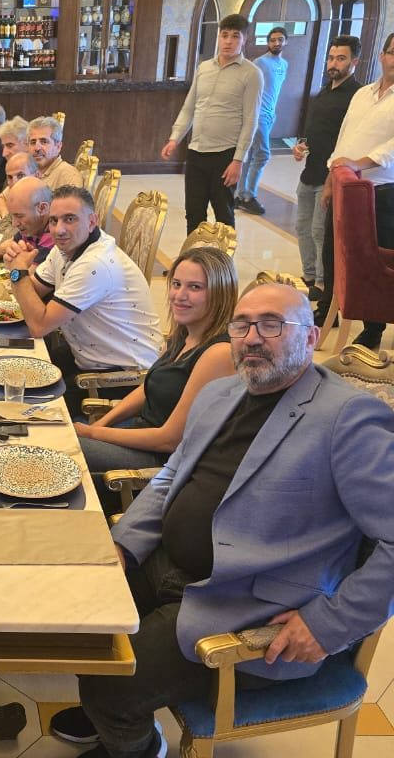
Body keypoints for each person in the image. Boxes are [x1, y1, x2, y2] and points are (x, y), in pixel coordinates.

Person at [49, 283, 394, 758]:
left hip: (246, 604)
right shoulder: (220, 393)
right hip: (165, 562)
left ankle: (135, 742)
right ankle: (109, 714)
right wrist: (124, 544)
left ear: (311, 336)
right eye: (241, 324)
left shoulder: (348, 418)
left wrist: (329, 624)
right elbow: (171, 476)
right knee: (77, 622)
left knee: (112, 684)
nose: (252, 337)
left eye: (271, 324)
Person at [74, 247, 237, 516]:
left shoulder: (218, 353)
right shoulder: (186, 333)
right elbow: (148, 388)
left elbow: (169, 440)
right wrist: (101, 423)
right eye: (176, 284)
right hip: (140, 434)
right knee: (57, 433)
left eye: (195, 287)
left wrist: (92, 434)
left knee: (62, 448)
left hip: (160, 460)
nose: (179, 295)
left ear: (220, 294)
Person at [3, 185, 162, 417]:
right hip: (86, 353)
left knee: (22, 408)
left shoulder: (94, 264)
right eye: (54, 220)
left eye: (70, 219)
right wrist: (19, 270)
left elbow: (39, 325)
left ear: (92, 221)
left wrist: (18, 272)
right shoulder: (65, 248)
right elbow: (32, 292)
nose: (59, 229)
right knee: (11, 370)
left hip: (122, 377)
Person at [314, 32, 394, 350]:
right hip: (346, 187)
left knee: (373, 262)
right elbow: (344, 138)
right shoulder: (363, 94)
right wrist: (331, 177)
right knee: (334, 254)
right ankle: (329, 310)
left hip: (381, 191)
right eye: (392, 52)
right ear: (382, 56)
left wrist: (358, 164)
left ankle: (372, 329)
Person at [162, 14, 262, 234]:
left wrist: (238, 160)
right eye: (224, 35)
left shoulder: (252, 74)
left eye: (235, 36)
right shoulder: (204, 68)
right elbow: (189, 107)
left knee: (223, 215)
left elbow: (251, 120)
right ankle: (195, 256)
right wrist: (174, 138)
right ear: (218, 37)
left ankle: (222, 258)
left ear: (244, 39)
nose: (228, 41)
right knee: (194, 213)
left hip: (225, 155)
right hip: (197, 151)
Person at [291, 35, 360, 299]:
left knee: (320, 231)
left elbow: (350, 139)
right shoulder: (323, 91)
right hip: (310, 171)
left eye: (341, 59)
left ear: (354, 62)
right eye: (331, 58)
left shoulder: (357, 96)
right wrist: (302, 144)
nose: (333, 64)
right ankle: (309, 276)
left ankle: (322, 284)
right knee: (302, 226)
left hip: (331, 176)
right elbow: (314, 129)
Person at [235, 27, 289, 215]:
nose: (276, 43)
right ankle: (249, 196)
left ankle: (239, 195)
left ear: (285, 41)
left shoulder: (284, 64)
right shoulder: (260, 63)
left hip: (270, 115)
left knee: (252, 154)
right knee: (263, 154)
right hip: (258, 116)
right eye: (273, 40)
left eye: (280, 39)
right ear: (268, 43)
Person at [0, 176, 52, 264]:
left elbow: (28, 272)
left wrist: (17, 269)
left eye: (19, 216)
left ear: (42, 208)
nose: (14, 224)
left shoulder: (53, 236)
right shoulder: (34, 226)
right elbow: (14, 241)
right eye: (12, 216)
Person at [28, 116, 83, 189]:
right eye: (33, 142)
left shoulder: (69, 176)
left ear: (58, 147)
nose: (37, 148)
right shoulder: (25, 171)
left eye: (44, 142)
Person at [0, 151, 38, 237]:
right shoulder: (21, 195)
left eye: (20, 175)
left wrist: (6, 220)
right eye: (10, 177)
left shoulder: (37, 205)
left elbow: (8, 236)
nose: (14, 182)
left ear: (36, 176)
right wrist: (5, 213)